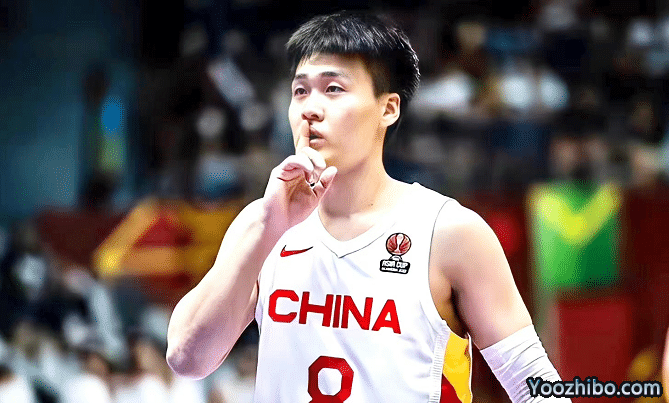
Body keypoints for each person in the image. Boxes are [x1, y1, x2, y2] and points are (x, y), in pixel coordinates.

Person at [167, 11, 567, 402]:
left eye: (333, 89)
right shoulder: (260, 225)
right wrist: (265, 229)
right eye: (300, 91)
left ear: (388, 108)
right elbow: (187, 359)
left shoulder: (449, 232)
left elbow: (535, 387)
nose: (310, 108)